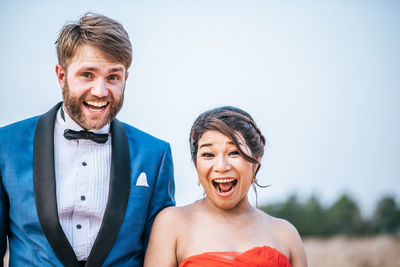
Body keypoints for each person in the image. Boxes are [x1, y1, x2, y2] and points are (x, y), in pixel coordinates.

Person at [0, 13, 175, 267]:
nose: (100, 92)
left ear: (126, 79)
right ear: (62, 76)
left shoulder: (155, 155)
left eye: (113, 77)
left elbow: (161, 256)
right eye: (87, 75)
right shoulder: (5, 146)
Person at [144, 106, 307, 267]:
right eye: (208, 155)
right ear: (196, 164)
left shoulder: (286, 235)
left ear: (256, 161)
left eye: (234, 152)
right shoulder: (172, 224)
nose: (221, 166)